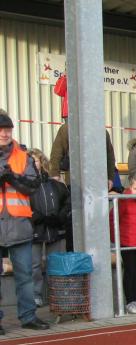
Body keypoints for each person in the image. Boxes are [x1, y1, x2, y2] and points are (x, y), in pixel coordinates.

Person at [0, 110, 49, 333]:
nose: (4, 134)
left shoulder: (23, 156)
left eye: (8, 130)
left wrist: (12, 177)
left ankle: (28, 317)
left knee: (25, 275)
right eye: (1, 130)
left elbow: (33, 186)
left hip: (19, 225)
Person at [28, 149, 69, 307]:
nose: (33, 164)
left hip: (55, 229)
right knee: (34, 265)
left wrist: (59, 217)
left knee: (56, 263)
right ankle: (35, 295)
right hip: (34, 230)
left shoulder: (55, 184)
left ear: (42, 162)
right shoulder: (24, 185)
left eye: (35, 160)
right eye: (30, 161)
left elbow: (67, 202)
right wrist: (35, 217)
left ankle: (57, 295)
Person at [110, 174, 136, 314]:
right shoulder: (123, 200)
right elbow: (113, 218)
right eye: (135, 188)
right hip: (126, 241)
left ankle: (135, 298)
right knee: (129, 271)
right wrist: (115, 239)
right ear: (130, 187)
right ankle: (129, 301)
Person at [49, 122, 116, 189]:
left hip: (96, 181)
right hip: (77, 181)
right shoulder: (68, 128)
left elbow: (109, 155)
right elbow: (56, 153)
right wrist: (55, 173)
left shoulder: (101, 131)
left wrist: (110, 177)